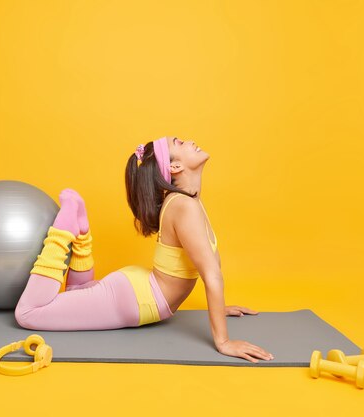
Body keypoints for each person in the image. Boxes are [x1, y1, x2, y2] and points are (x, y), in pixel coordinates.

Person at [14, 136, 274, 364]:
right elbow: (211, 276)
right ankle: (64, 232)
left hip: (137, 292)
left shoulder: (190, 200)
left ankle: (81, 232)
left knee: (74, 296)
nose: (190, 140)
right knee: (28, 314)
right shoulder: (184, 206)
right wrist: (224, 341)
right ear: (174, 166)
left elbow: (211, 265)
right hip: (135, 300)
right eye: (180, 143)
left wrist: (217, 308)